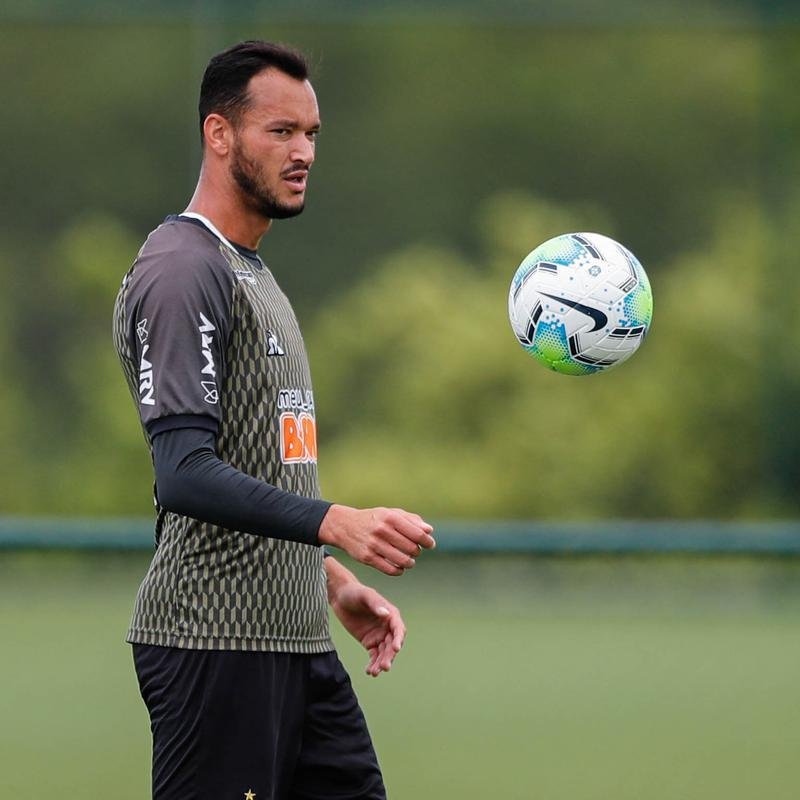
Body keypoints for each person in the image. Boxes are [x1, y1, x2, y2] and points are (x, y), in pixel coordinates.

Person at [112, 39, 435, 800]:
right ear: (219, 134)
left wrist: (327, 580)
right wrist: (336, 523)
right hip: (214, 647)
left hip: (295, 644)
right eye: (281, 131)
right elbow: (185, 474)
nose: (304, 153)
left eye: (311, 134)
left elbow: (258, 468)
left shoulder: (249, 270)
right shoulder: (183, 269)